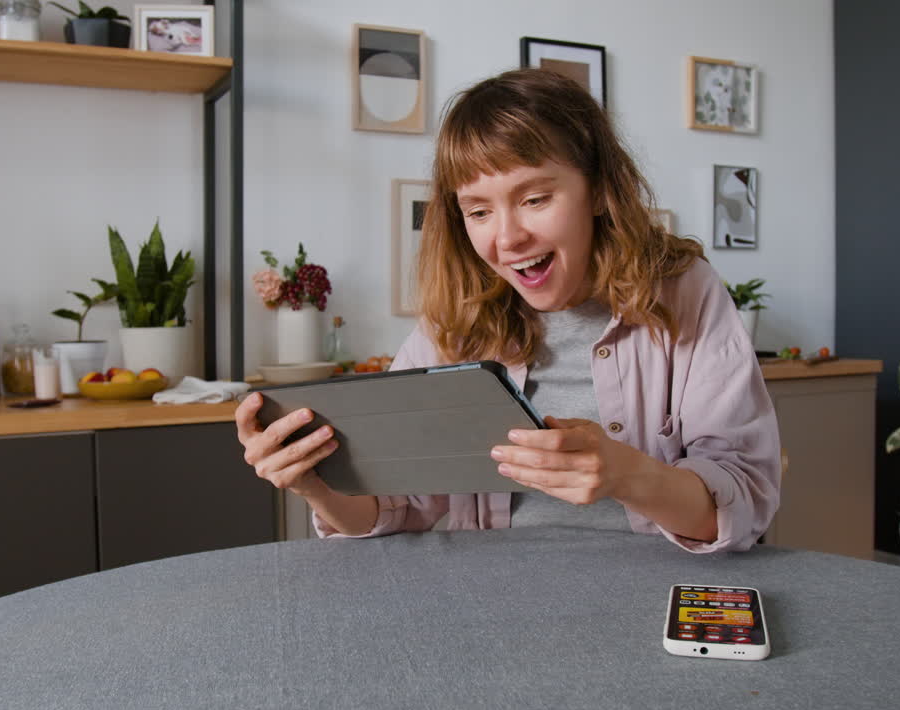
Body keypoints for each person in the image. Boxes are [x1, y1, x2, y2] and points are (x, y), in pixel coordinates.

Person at [235, 68, 780, 552]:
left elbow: (746, 504)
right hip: (495, 603)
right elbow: (398, 508)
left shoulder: (685, 292)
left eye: (535, 199)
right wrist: (315, 483)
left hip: (654, 598)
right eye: (478, 211)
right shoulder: (456, 321)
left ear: (596, 189)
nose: (508, 238)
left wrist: (627, 474)